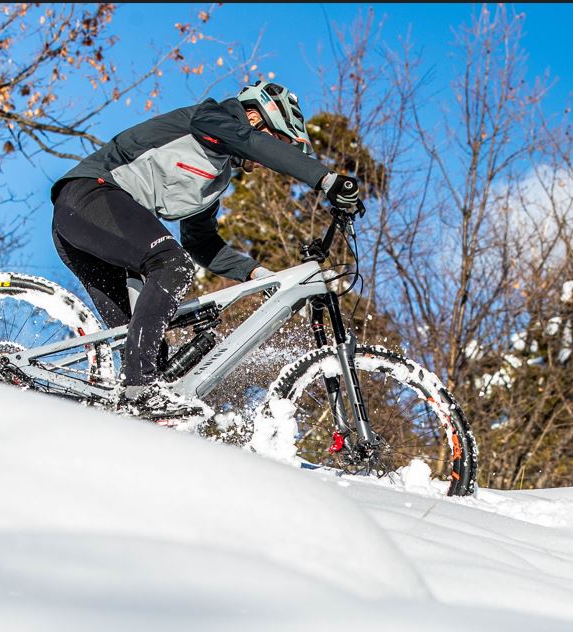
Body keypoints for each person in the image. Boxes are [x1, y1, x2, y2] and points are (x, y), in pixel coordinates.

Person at [50, 80, 363, 419]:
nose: (267, 159)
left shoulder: (215, 176)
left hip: (90, 231)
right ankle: (137, 391)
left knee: (146, 347)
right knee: (172, 266)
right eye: (279, 142)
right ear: (257, 119)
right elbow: (247, 140)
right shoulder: (211, 118)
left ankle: (122, 413)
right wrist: (327, 179)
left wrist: (257, 275)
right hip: (88, 198)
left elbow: (201, 243)